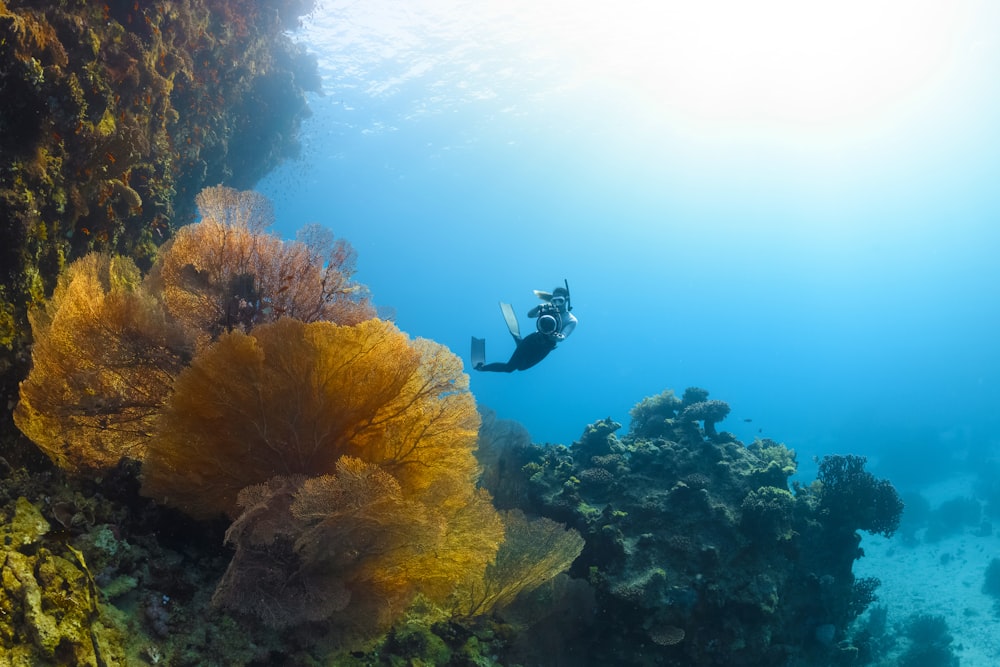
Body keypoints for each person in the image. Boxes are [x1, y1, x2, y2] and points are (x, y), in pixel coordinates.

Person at [472, 281, 577, 373]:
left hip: (546, 347)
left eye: (560, 300)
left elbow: (563, 336)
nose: (557, 304)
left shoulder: (571, 320)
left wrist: (557, 337)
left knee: (521, 368)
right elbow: (530, 315)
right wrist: (538, 307)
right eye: (554, 300)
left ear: (566, 300)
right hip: (533, 339)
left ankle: (519, 341)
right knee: (509, 368)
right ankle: (482, 368)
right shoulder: (547, 309)